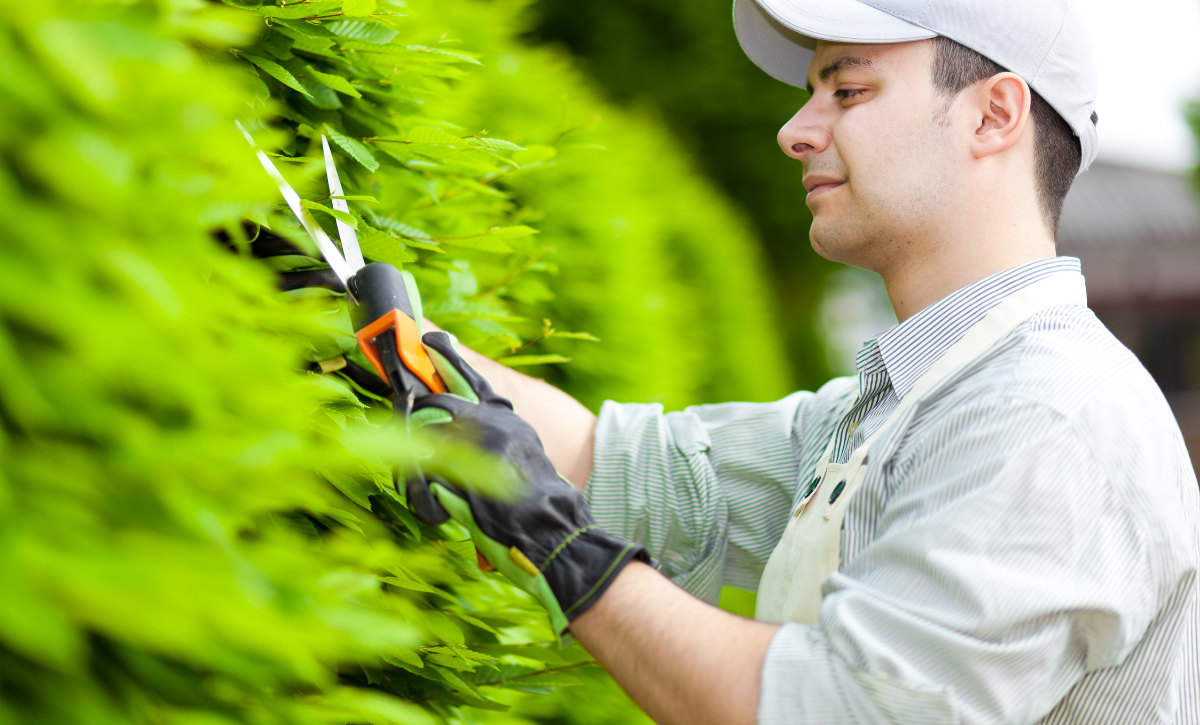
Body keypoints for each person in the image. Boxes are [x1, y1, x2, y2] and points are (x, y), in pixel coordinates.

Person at [410, 1, 1200, 723]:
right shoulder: (904, 402)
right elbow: (628, 466)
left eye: (846, 92)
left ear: (993, 115)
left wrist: (563, 552)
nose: (796, 129)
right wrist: (390, 337)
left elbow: (835, 705)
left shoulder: (1048, 414)